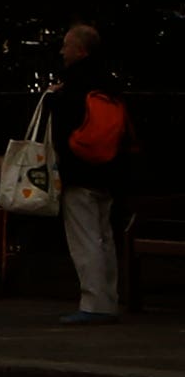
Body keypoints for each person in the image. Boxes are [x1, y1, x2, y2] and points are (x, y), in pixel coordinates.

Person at [49, 23, 131, 326]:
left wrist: (52, 97)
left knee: (84, 239)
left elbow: (63, 123)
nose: (62, 50)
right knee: (104, 237)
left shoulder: (73, 84)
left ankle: (93, 303)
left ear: (80, 50)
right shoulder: (109, 83)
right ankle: (108, 300)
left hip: (79, 170)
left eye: (67, 45)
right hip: (108, 170)